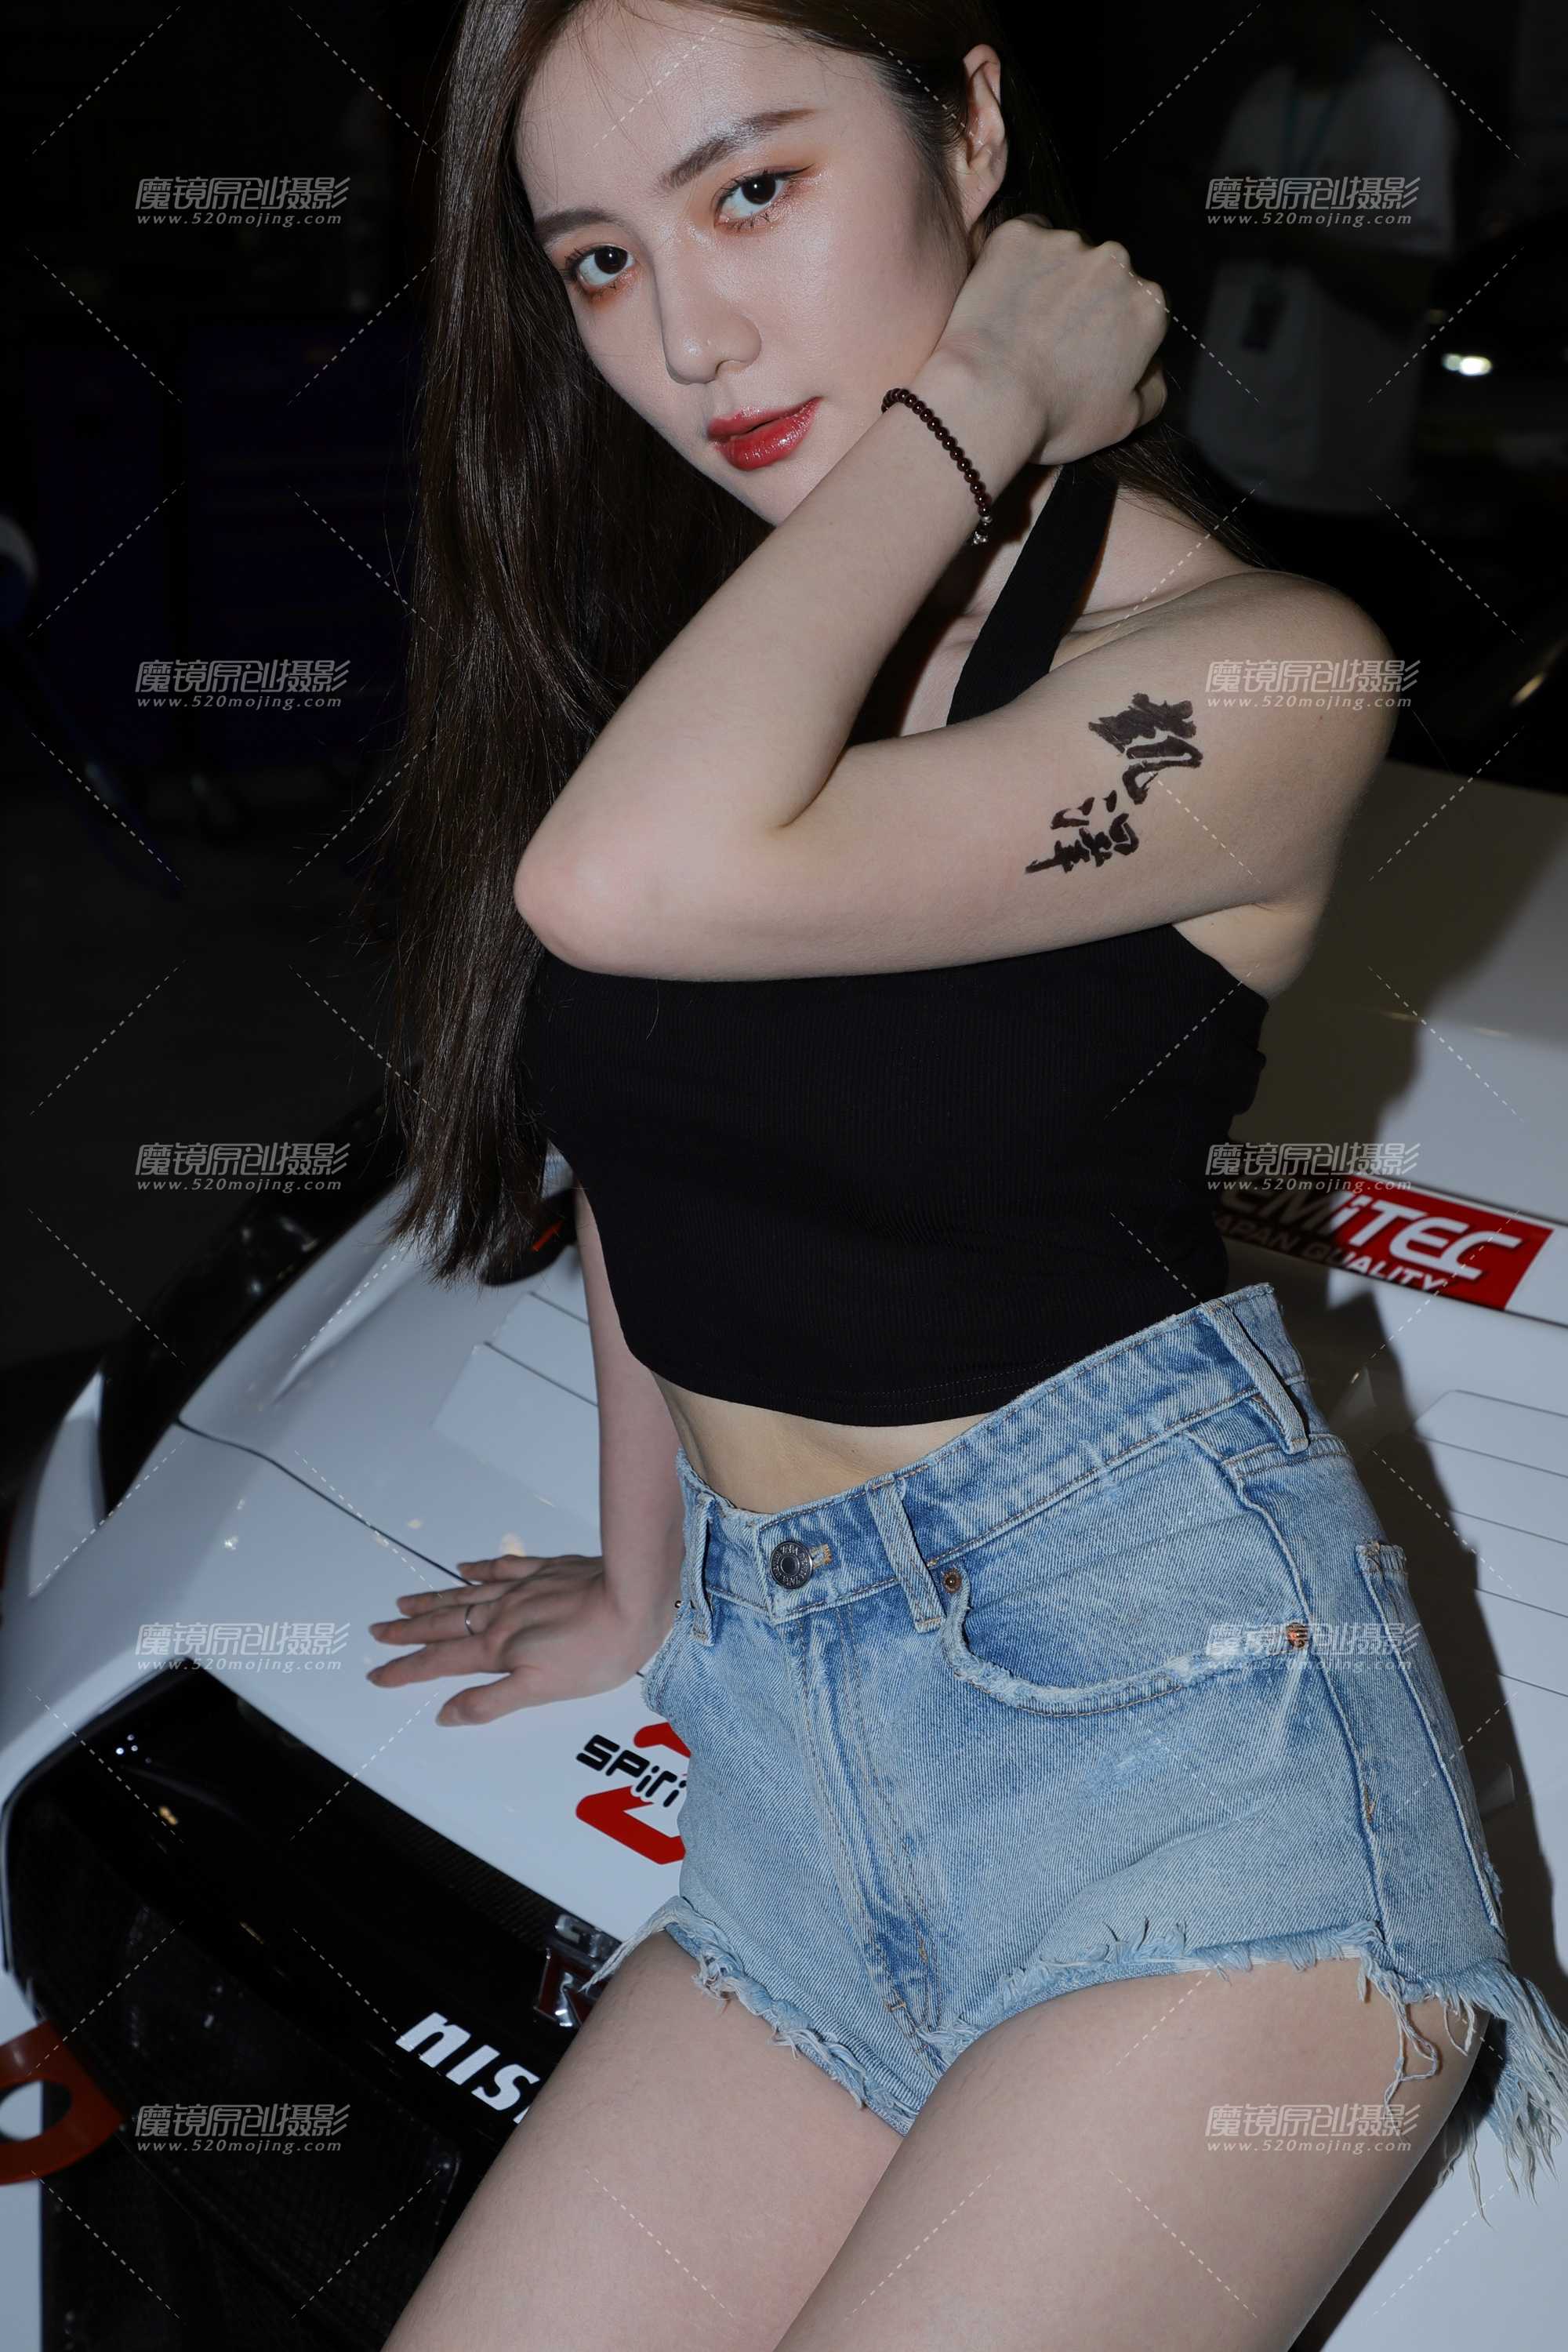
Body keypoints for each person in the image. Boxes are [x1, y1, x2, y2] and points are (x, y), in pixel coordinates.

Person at [368, 5, 1568, 2347]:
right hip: (797, 1782)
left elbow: (616, 888)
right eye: (596, 261)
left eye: (750, 192)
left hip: (1191, 1796)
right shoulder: (763, 656)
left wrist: (979, 400)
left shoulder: (1265, 669)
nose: (685, 338)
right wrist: (642, 1576)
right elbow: (639, 1138)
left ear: (975, 126)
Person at [1182, 0, 1459, 648]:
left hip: (1332, 473)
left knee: (1327, 669)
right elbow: (1213, 231)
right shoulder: (1268, 92)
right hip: (1226, 449)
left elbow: (1407, 288)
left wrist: (1284, 222)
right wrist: (1222, 213)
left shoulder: (1405, 98)